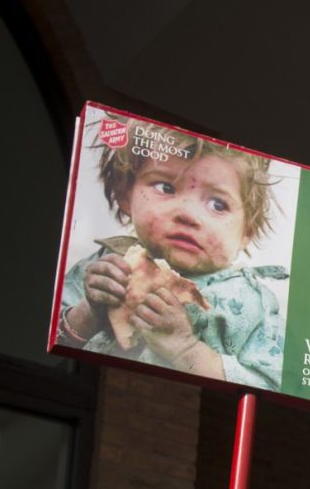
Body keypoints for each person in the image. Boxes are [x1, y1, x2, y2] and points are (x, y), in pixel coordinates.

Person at [55, 119, 286, 389]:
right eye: (166, 187)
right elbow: (56, 345)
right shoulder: (104, 265)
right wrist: (89, 310)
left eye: (218, 204)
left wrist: (185, 349)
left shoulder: (251, 303)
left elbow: (270, 383)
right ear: (125, 194)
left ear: (247, 231)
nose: (188, 214)